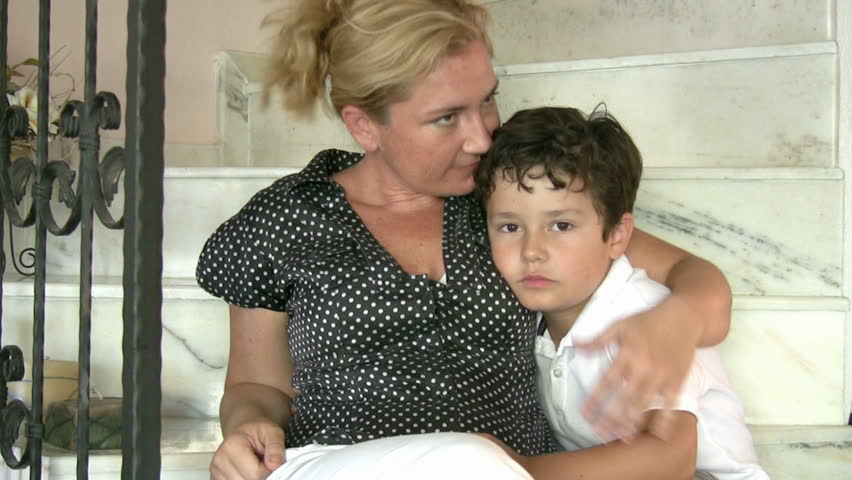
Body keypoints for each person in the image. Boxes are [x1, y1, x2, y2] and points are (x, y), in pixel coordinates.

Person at [196, 1, 733, 479]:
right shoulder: (285, 220)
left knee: (474, 462)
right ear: (364, 126)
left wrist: (677, 321)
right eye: (446, 118)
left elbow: (693, 278)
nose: (481, 136)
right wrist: (247, 428)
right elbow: (256, 387)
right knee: (467, 459)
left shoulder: (512, 198)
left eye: (487, 99)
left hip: (509, 469)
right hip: (341, 461)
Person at [475, 106, 768, 480]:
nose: (532, 250)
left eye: (561, 225)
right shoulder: (534, 315)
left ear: (616, 235)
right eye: (510, 227)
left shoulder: (642, 316)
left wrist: (518, 470)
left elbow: (671, 459)